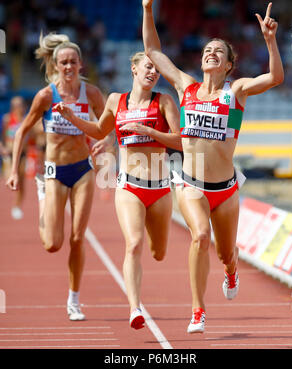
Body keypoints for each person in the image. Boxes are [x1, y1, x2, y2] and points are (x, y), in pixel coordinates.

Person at [142, 0, 284, 333]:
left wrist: (270, 40)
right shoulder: (185, 87)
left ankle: (231, 270)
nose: (211, 52)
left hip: (226, 190)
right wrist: (148, 8)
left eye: (219, 51)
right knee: (199, 237)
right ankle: (198, 310)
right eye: (208, 49)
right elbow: (151, 49)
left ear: (229, 65)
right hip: (190, 184)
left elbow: (276, 77)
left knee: (226, 253)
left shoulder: (236, 92)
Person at [54, 51, 182, 329]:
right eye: (148, 67)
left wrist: (151, 133)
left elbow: (182, 142)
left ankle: (153, 238)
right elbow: (100, 131)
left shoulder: (165, 102)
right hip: (129, 187)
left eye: (157, 70)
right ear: (134, 69)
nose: (153, 73)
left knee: (158, 252)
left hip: (160, 189)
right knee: (133, 244)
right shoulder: (116, 100)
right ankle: (135, 308)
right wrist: (71, 117)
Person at [6, 33, 106, 321]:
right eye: (64, 62)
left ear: (81, 64)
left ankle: (74, 300)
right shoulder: (46, 95)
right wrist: (14, 170)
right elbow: (23, 130)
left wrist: (107, 141)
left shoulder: (93, 94)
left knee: (77, 237)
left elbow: (109, 125)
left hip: (83, 170)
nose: (69, 66)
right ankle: (42, 199)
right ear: (56, 64)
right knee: (52, 244)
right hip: (54, 172)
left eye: (73, 61)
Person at [2, 96, 28, 220]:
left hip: (22, 155)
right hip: (9, 154)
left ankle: (17, 206)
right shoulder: (7, 119)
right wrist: (2, 147)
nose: (18, 108)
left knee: (20, 182)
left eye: (20, 105)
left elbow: (32, 136)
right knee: (8, 178)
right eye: (15, 105)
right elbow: (2, 135)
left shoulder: (26, 120)